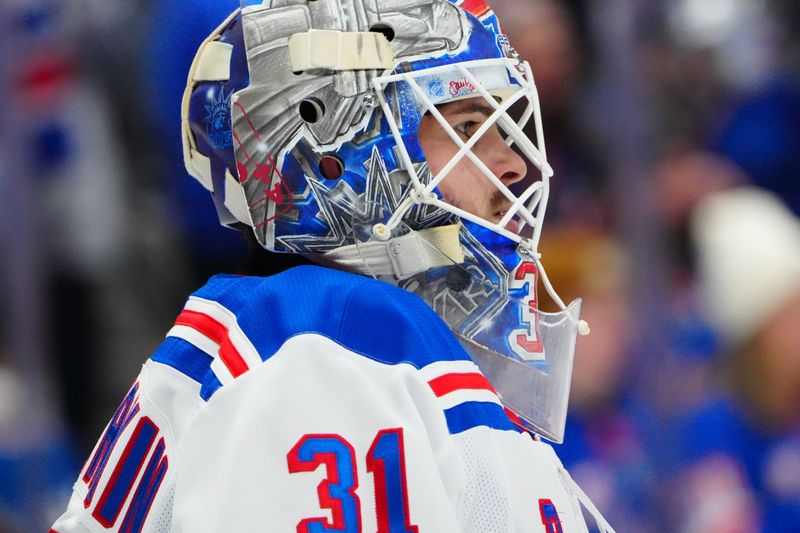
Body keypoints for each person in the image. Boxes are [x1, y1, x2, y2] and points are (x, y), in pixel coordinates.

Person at [51, 1, 614, 531]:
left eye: (503, 129)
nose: (514, 165)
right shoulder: (331, 342)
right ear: (334, 157)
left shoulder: (336, 341)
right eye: (467, 129)